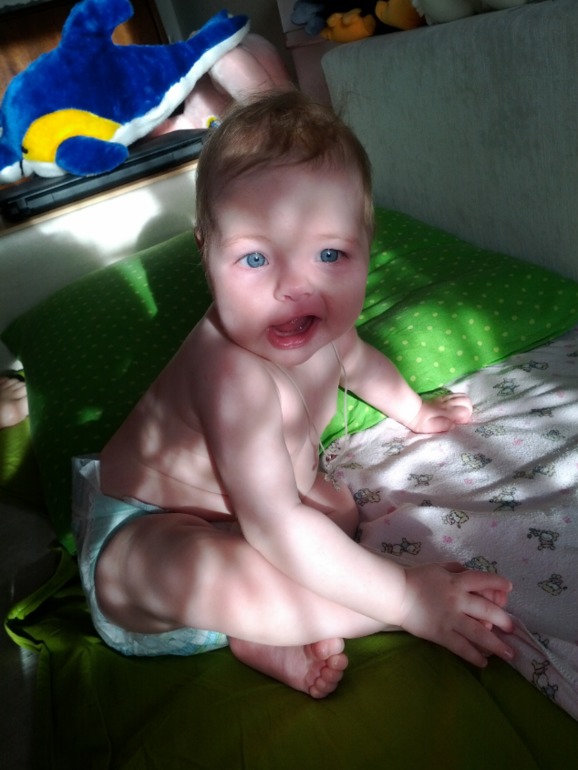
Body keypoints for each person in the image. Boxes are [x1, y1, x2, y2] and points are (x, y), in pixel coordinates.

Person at [74, 89, 515, 699]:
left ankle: (262, 634)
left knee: (339, 513)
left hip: (254, 521)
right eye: (255, 258)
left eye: (330, 254)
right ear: (206, 253)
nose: (294, 287)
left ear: (367, 248)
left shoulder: (328, 330)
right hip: (148, 527)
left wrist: (416, 411)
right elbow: (277, 526)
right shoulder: (231, 373)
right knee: (175, 567)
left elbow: (362, 366)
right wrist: (405, 596)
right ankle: (391, 610)